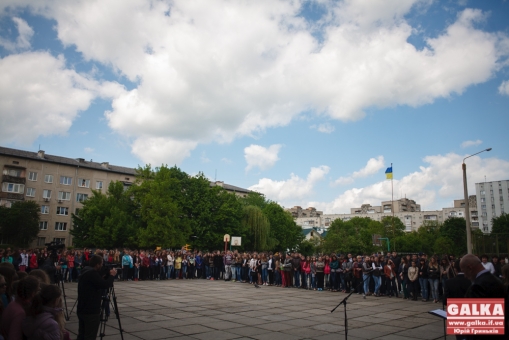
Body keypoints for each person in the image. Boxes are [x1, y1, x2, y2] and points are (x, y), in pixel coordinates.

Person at [77, 255, 116, 340]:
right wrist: (112, 276)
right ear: (97, 264)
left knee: (82, 334)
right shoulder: (92, 273)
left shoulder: (86, 271)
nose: (102, 266)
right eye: (101, 264)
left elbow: (98, 281)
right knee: (90, 336)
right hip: (91, 310)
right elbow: (105, 285)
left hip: (82, 308)